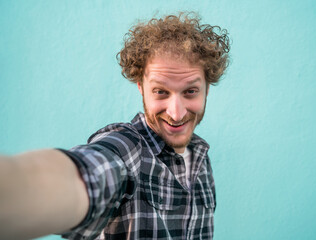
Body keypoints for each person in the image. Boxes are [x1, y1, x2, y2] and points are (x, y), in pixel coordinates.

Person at [0, 12, 230, 240]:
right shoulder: (127, 148)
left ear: (207, 89)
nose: (176, 113)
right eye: (161, 92)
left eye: (190, 91)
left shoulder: (201, 157)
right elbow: (84, 176)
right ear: (141, 87)